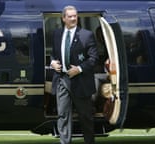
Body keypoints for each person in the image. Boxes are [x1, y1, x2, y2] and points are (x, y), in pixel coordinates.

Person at [50, 5, 98, 144]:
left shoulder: (86, 35)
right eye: (70, 16)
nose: (73, 18)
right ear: (63, 18)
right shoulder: (57, 34)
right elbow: (53, 54)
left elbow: (93, 58)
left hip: (80, 80)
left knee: (85, 117)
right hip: (62, 79)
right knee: (63, 115)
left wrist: (79, 69)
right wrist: (53, 62)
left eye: (75, 16)